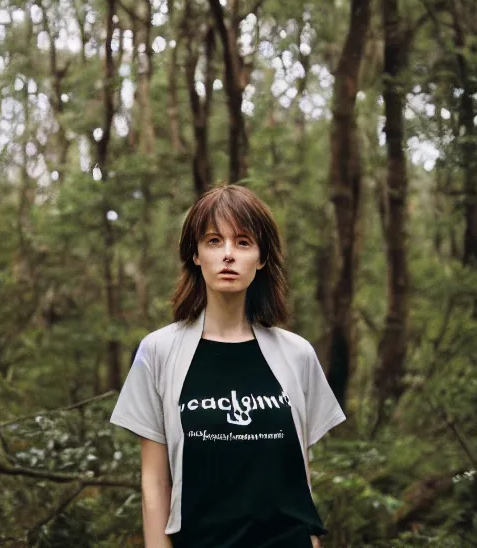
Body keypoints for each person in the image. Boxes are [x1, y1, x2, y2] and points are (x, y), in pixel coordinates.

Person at [110, 184, 346, 548]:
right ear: (196, 254)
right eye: (214, 241)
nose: (229, 255)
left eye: (244, 242)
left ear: (262, 258)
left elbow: (299, 477)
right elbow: (155, 484)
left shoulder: (298, 355)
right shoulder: (157, 353)